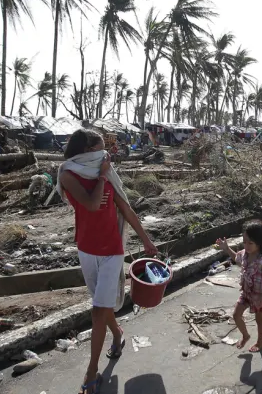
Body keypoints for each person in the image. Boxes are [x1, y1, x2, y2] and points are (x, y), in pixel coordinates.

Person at [56, 129, 158, 394]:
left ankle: (91, 372)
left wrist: (146, 241)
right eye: (101, 149)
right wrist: (101, 176)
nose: (106, 155)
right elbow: (90, 204)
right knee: (101, 307)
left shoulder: (109, 177)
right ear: (88, 150)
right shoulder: (68, 175)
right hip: (87, 249)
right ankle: (117, 333)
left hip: (112, 251)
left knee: (98, 310)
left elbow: (126, 209)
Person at [216, 220, 262, 353]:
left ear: (259, 242)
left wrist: (261, 296)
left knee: (259, 320)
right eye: (244, 241)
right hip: (247, 292)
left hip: (259, 294)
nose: (246, 245)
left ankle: (260, 342)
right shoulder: (245, 254)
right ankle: (245, 335)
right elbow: (237, 258)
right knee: (236, 315)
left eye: (250, 243)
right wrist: (226, 248)